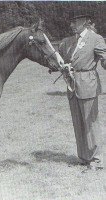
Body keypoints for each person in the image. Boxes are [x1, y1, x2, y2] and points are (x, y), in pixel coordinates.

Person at [58, 11, 106, 171]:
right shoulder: (69, 41)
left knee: (90, 122)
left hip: (88, 84)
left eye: (74, 22)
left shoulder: (96, 39)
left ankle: (96, 159)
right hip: (72, 86)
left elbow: (104, 58)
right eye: (70, 22)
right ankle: (84, 157)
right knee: (78, 123)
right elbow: (63, 59)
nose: (71, 25)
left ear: (85, 21)